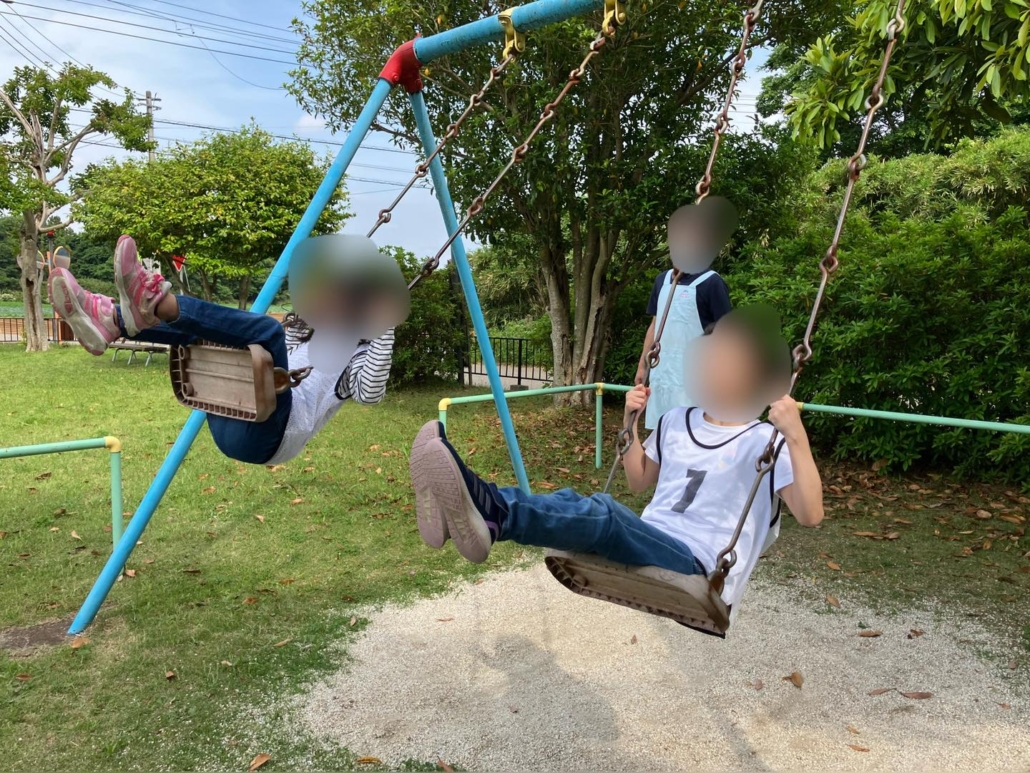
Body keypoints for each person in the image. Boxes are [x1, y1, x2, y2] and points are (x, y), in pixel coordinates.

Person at [409, 308, 824, 611]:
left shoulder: (765, 439)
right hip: (653, 539)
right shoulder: (677, 421)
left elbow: (810, 514)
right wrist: (630, 423)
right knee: (577, 501)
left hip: (699, 568)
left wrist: (796, 435)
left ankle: (489, 510)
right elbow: (639, 480)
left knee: (604, 514)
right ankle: (468, 511)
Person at [48, 234, 404, 465]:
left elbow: (370, 394)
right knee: (219, 332)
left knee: (265, 331)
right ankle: (112, 320)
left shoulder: (355, 357)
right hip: (230, 411)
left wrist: (385, 323)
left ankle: (151, 303)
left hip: (269, 438)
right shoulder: (304, 331)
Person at [637, 200, 735, 430]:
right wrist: (642, 367)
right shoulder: (662, 281)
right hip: (662, 375)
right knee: (659, 434)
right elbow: (654, 326)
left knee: (691, 434)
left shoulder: (711, 283)